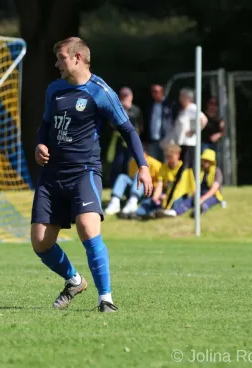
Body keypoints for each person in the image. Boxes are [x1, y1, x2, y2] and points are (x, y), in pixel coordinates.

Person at [31, 37, 153, 313]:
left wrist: (143, 167)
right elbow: (46, 125)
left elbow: (128, 130)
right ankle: (74, 280)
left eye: (61, 57)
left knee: (88, 228)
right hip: (52, 176)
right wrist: (40, 145)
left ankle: (105, 298)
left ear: (77, 58)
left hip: (84, 172)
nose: (56, 63)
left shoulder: (100, 91)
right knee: (40, 242)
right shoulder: (55, 89)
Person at [160, 149, 224, 217]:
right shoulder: (199, 171)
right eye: (203, 160)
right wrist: (195, 195)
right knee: (187, 202)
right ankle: (173, 212)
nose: (204, 162)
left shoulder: (217, 172)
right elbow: (194, 184)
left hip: (213, 195)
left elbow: (214, 189)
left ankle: (199, 211)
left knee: (206, 203)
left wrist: (202, 199)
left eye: (207, 161)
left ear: (212, 162)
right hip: (199, 193)